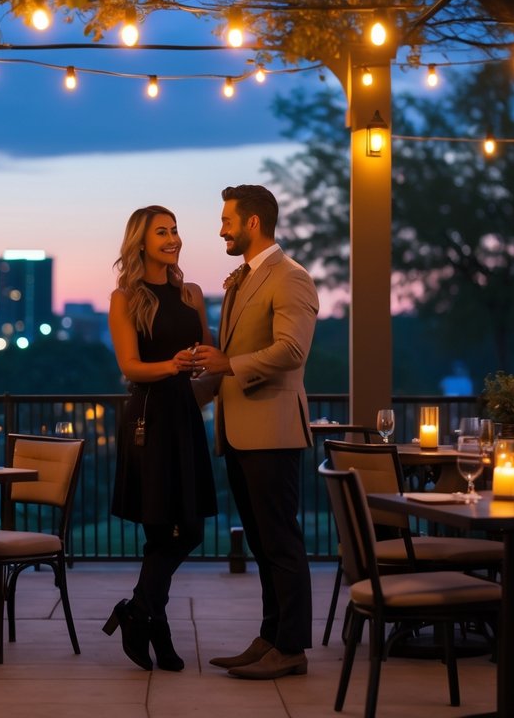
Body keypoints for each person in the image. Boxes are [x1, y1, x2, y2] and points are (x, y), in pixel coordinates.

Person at [191, 184, 319, 680]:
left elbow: (292, 351)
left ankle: (292, 649)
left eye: (226, 219)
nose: (220, 228)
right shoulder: (242, 280)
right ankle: (270, 638)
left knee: (281, 543)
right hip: (242, 432)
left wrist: (228, 363)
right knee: (264, 545)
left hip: (273, 432)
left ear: (252, 223)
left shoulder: (291, 279)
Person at [103, 205, 217, 672]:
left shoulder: (190, 293)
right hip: (149, 417)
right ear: (141, 243)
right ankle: (157, 630)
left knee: (188, 528)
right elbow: (129, 367)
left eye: (174, 230)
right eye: (162, 232)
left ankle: (138, 611)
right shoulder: (124, 297)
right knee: (158, 528)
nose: (172, 239)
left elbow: (207, 355)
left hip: (184, 415)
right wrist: (173, 365)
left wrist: (205, 364)